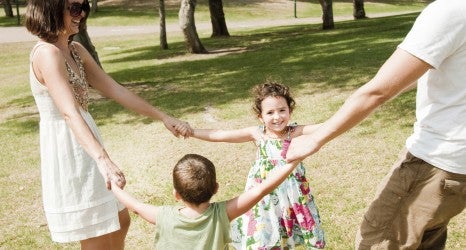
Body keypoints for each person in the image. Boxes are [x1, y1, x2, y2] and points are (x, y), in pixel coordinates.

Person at [285, 0, 466, 248]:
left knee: (376, 240)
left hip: (434, 163)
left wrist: (316, 138)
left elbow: (377, 91)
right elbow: (423, 71)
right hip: (458, 170)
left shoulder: (451, 10)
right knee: (427, 236)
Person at [24, 0, 192, 248]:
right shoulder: (46, 53)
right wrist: (103, 160)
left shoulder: (76, 50)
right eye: (73, 7)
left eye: (83, 7)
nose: (80, 14)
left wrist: (163, 117)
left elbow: (115, 89)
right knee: (98, 234)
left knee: (120, 221)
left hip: (87, 138)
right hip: (69, 146)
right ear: (50, 8)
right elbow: (69, 113)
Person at [190, 81, 325, 249]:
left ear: (290, 110)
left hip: (292, 196)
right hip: (264, 199)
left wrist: (362, 110)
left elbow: (329, 127)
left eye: (282, 110)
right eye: (270, 112)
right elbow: (221, 135)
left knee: (287, 236)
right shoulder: (257, 134)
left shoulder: (295, 132)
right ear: (260, 116)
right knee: (267, 238)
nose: (277, 117)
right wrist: (191, 132)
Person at [111, 153, 300, 249]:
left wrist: (114, 186)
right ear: (216, 188)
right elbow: (260, 190)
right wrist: (293, 161)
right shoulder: (223, 213)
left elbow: (135, 206)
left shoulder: (163, 216)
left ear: (176, 194)